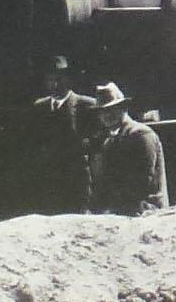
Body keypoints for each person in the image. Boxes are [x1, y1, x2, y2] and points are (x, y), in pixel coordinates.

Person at [87, 83, 168, 215]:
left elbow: (143, 181)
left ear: (123, 108)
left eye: (111, 109)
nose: (106, 115)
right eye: (101, 111)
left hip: (144, 210)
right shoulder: (104, 139)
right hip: (114, 211)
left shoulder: (140, 135)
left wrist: (113, 207)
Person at [31, 56, 95, 213]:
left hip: (77, 181)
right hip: (49, 181)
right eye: (50, 80)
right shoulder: (40, 107)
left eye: (59, 79)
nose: (54, 84)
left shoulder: (87, 105)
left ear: (69, 79)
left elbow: (96, 143)